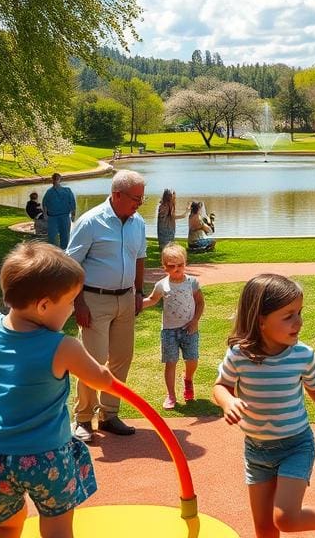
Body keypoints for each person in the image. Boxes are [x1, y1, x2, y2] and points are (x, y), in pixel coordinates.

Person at [0, 243, 116, 538]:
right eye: (70, 302)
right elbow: (100, 380)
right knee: (57, 529)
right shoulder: (62, 346)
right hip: (45, 457)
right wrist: (106, 374)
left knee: (4, 526)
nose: (71, 309)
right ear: (43, 306)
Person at [213, 274, 315, 538]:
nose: (299, 322)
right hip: (256, 451)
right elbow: (220, 386)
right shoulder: (239, 355)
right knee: (265, 530)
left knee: (286, 519)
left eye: (300, 312)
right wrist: (228, 401)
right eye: (288, 315)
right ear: (261, 320)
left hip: (296, 446)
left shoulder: (302, 355)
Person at [66, 169, 147, 442]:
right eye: (136, 198)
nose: (139, 203)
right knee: (93, 361)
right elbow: (71, 264)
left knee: (122, 358)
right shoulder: (90, 222)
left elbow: (139, 258)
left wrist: (139, 292)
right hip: (93, 300)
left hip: (126, 299)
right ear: (117, 195)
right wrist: (79, 302)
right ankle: (83, 419)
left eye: (142, 198)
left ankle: (109, 414)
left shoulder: (138, 223)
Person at [141, 244, 204, 410]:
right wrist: (134, 305)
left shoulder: (192, 282)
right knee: (171, 362)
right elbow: (152, 300)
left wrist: (195, 320)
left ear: (185, 263)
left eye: (180, 265)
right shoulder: (162, 285)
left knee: (192, 360)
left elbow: (199, 301)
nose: (177, 269)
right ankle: (171, 395)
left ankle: (188, 379)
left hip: (190, 328)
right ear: (164, 267)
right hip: (169, 331)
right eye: (172, 266)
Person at [41, 172, 76, 249]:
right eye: (54, 179)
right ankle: (54, 254)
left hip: (65, 216)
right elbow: (44, 203)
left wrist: (73, 214)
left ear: (60, 180)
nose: (56, 181)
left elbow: (73, 203)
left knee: (65, 236)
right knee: (52, 237)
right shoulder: (49, 192)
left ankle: (65, 253)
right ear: (52, 180)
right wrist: (45, 214)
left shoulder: (67, 190)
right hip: (53, 217)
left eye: (57, 179)